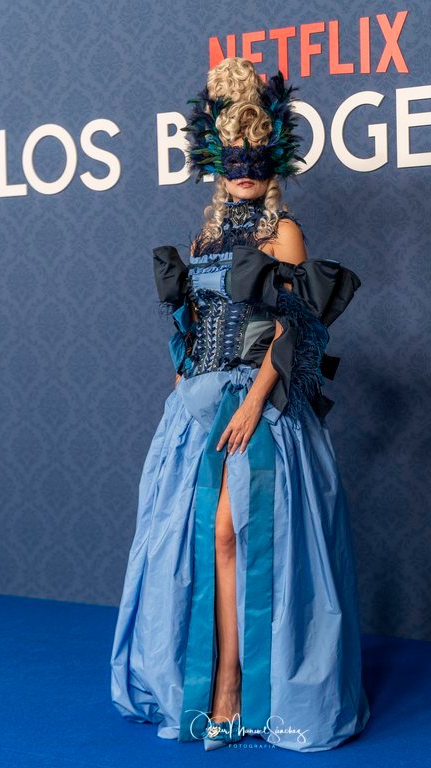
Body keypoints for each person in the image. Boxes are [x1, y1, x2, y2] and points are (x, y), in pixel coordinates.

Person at [110, 57, 371, 753]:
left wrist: (256, 403)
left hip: (261, 402)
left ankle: (235, 685)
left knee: (234, 533)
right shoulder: (201, 240)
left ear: (273, 162)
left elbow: (296, 329)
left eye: (256, 158)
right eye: (233, 159)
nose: (245, 171)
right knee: (197, 538)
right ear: (216, 166)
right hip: (196, 405)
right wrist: (181, 387)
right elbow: (191, 324)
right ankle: (211, 681)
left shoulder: (284, 235)